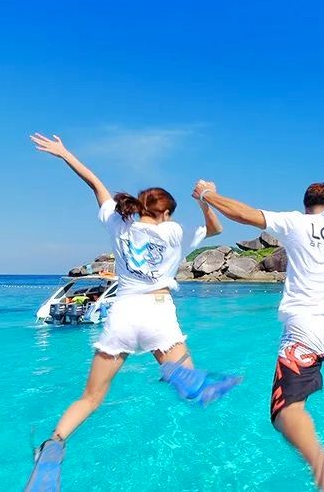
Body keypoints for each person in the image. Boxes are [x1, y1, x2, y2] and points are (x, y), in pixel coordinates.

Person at [26, 133, 238, 491]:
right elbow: (216, 229)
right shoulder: (174, 232)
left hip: (122, 315)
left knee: (91, 398)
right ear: (166, 213)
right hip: (158, 313)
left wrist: (64, 153)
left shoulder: (118, 223)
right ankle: (181, 379)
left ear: (140, 206)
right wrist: (205, 198)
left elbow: (95, 183)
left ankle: (53, 445)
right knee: (186, 377)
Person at [194, 143, 324, 491]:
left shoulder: (295, 222)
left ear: (306, 206)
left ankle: (318, 462)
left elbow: (244, 214)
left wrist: (207, 194)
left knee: (286, 410)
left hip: (302, 330)